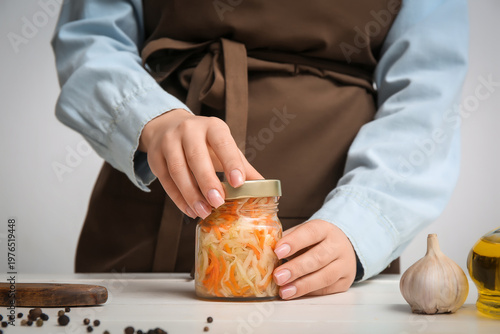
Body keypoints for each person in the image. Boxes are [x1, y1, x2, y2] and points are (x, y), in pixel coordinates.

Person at [52, 0, 468, 300]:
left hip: (335, 218)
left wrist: (362, 225)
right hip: (153, 203)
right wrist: (153, 120)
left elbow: (429, 91)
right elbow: (88, 36)